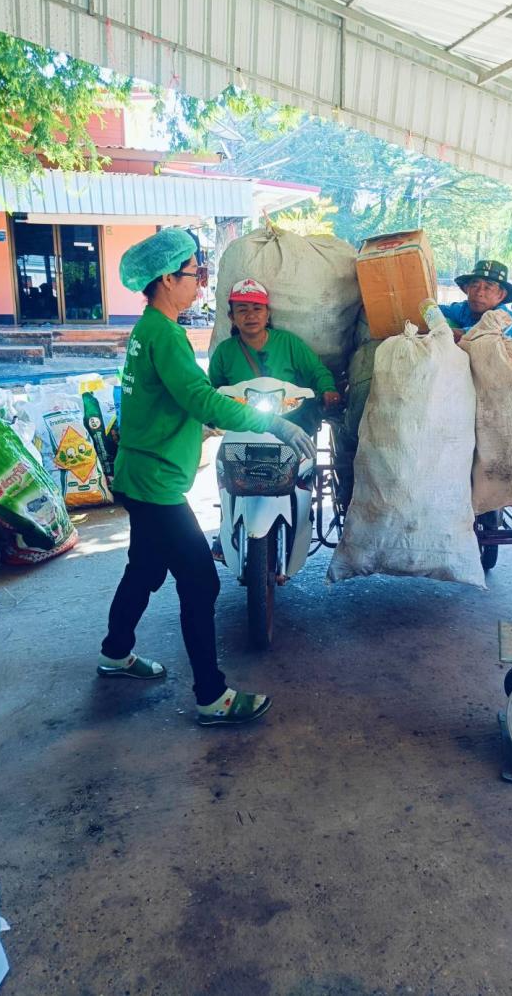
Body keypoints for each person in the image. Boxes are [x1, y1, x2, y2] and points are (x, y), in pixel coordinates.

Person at [97, 229, 315, 727]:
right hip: (155, 484)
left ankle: (115, 652)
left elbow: (183, 398)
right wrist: (273, 423)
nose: (199, 283)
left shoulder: (148, 329)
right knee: (200, 581)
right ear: (166, 279)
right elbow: (202, 399)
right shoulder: (166, 335)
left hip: (140, 473)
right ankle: (211, 696)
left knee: (144, 569)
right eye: (194, 274)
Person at [207, 278, 341, 433]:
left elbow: (316, 371)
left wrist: (328, 390)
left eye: (257, 309)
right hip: (243, 422)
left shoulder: (288, 342)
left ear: (267, 314)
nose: (251, 315)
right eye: (242, 310)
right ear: (232, 317)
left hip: (290, 418)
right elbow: (214, 389)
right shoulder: (224, 351)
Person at [439, 259, 512, 341]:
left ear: (500, 295)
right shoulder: (464, 309)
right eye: (475, 286)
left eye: (488, 288)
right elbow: (437, 309)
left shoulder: (504, 317)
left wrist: (464, 333)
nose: (479, 293)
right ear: (466, 289)